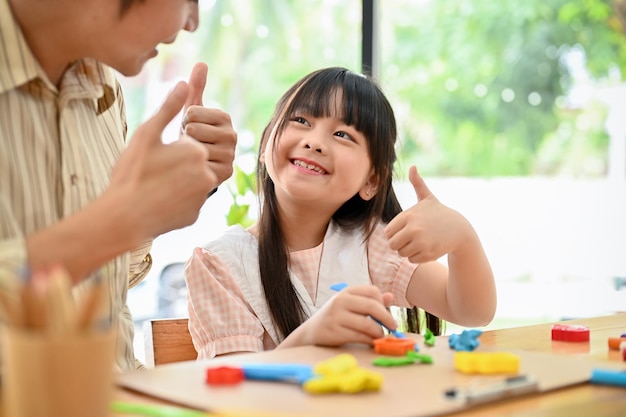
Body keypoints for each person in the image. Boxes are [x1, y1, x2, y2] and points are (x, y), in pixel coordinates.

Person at [185, 66, 496, 359]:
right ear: (266, 145)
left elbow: (472, 311)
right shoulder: (219, 265)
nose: (315, 142)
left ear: (371, 181)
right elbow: (233, 396)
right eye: (301, 121)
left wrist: (463, 239)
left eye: (343, 135)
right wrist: (311, 337)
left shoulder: (371, 245)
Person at [0, 0, 237, 370]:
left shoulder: (103, 90)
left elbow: (102, 285)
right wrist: (116, 225)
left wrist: (152, 204)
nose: (191, 23)